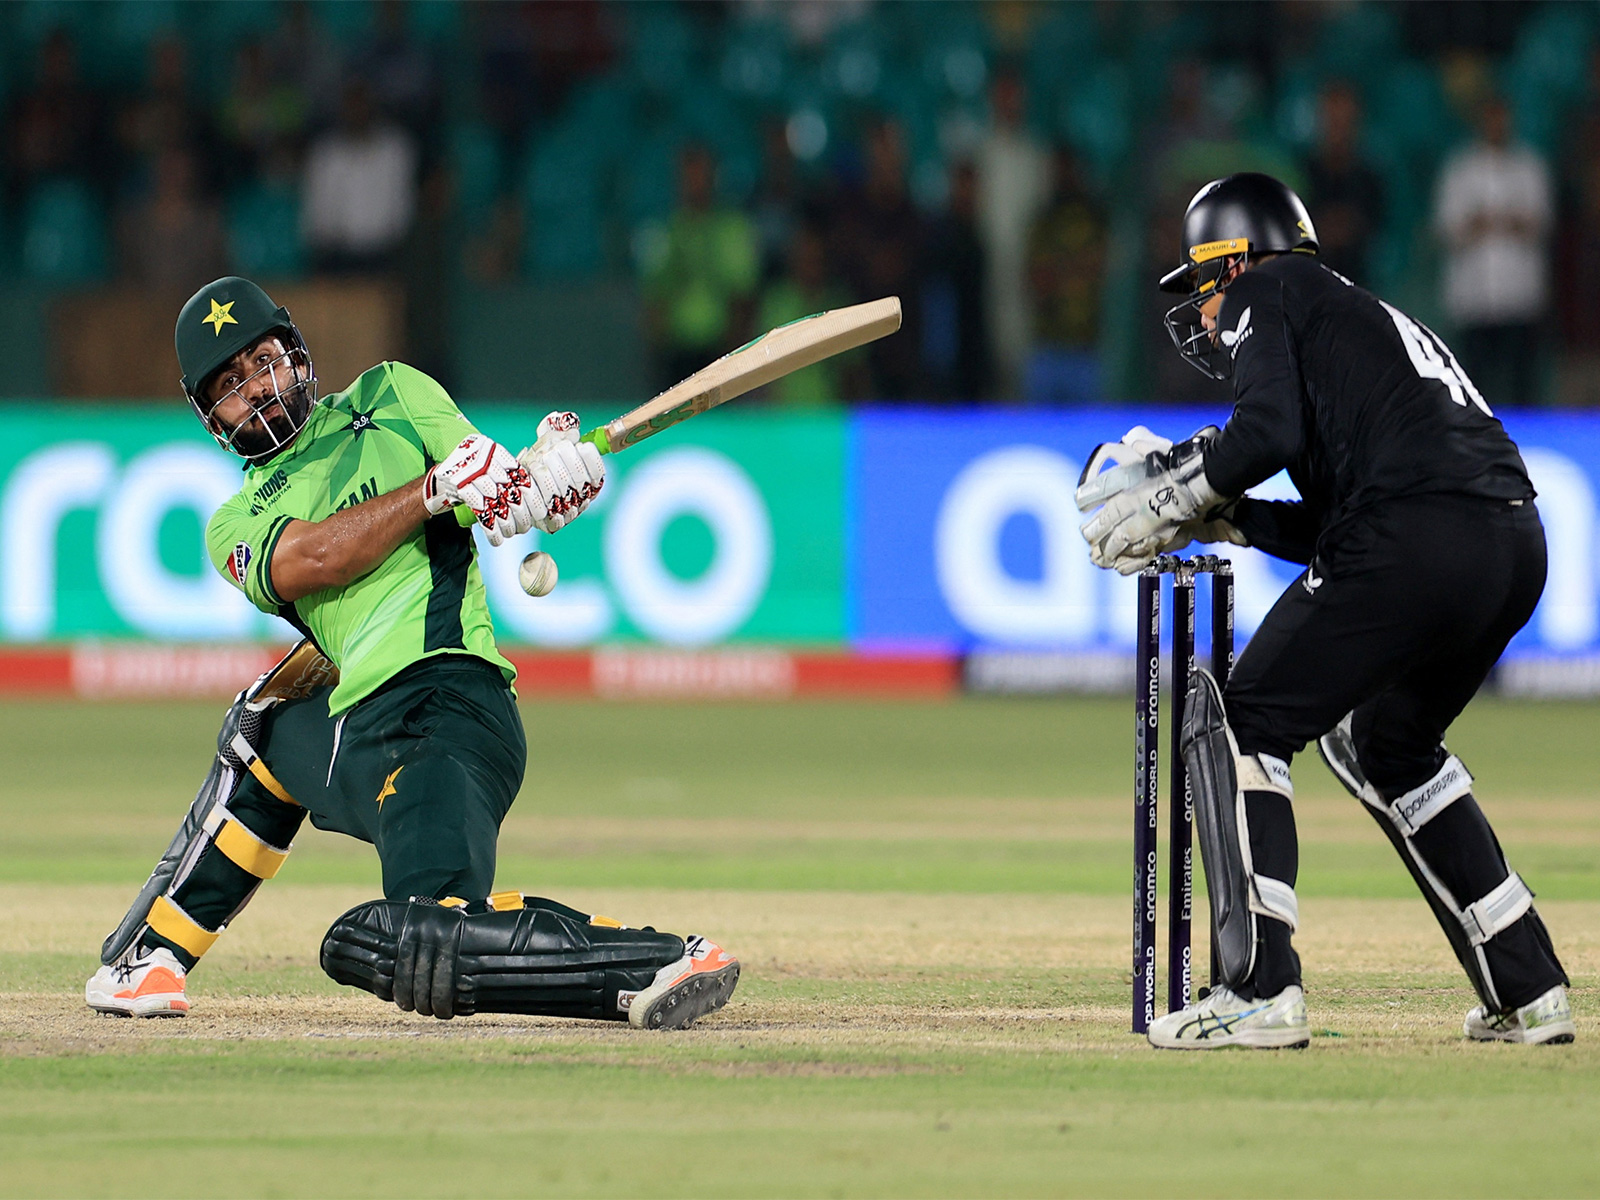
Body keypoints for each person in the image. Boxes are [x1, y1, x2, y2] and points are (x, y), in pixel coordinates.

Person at [86, 277, 739, 1029]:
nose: (256, 391)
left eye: (262, 362)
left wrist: (541, 482)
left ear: (296, 355)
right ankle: (149, 957)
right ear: (210, 416)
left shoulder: (392, 392)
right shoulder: (234, 521)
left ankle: (654, 963)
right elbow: (316, 560)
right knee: (263, 724)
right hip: (353, 737)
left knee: (419, 936)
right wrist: (433, 489)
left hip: (448, 709)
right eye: (230, 385)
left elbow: (486, 482)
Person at [1076, 174, 1572, 1049]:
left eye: (1203, 282)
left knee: (1242, 717)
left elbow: (1262, 433)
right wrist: (1228, 514)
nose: (1203, 310)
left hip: (1417, 531)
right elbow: (1331, 522)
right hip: (1509, 541)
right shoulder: (1348, 317)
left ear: (1236, 258)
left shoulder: (1268, 288)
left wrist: (1175, 493)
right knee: (1387, 744)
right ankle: (1529, 987)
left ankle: (1260, 990)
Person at [1433, 95, 1552, 408]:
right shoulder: (1459, 169)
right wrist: (1486, 223)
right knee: (1475, 390)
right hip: (1474, 300)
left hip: (1520, 299)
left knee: (1522, 389)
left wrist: (1495, 221)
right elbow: (1447, 230)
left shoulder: (1530, 166)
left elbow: (1540, 226)